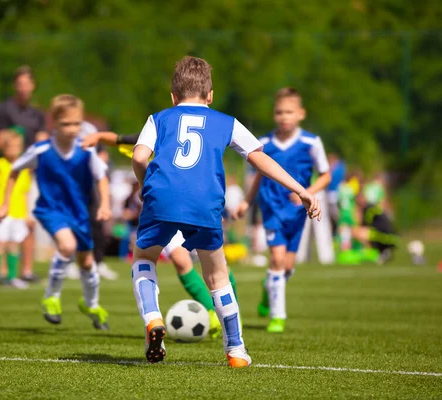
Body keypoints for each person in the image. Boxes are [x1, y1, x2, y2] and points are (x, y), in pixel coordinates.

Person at [130, 56, 320, 367]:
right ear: (210, 95)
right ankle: (236, 350)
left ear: (173, 97)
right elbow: (259, 158)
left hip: (161, 197)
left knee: (144, 259)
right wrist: (301, 189)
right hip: (205, 202)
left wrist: (143, 184)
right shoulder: (225, 121)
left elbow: (139, 157)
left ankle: (152, 319)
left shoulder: (159, 118)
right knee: (217, 277)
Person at [81, 131, 228, 339]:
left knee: (214, 264)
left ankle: (225, 312)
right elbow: (120, 139)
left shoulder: (195, 140)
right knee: (180, 260)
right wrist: (96, 137)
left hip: (193, 207)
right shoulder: (155, 135)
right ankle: (212, 313)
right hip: (163, 211)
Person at [0, 94, 112, 330]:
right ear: (54, 124)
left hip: (78, 213)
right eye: (66, 124)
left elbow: (101, 178)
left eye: (77, 123)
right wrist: (5, 203)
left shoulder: (86, 151)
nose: (72, 129)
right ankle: (51, 298)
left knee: (87, 262)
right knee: (66, 246)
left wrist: (105, 205)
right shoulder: (41, 150)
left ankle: (91, 304)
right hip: (50, 210)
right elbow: (15, 171)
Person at [234, 88, 331, 333]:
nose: (284, 117)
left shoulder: (311, 142)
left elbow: (326, 175)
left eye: (289, 112)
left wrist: (307, 192)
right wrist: (247, 202)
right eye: (279, 112)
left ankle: (269, 289)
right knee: (276, 258)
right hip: (272, 209)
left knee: (287, 266)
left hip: (298, 213)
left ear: (300, 114)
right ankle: (278, 316)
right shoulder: (264, 143)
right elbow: (258, 174)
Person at [0, 131, 31, 289]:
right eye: (10, 146)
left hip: (18, 212)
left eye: (17, 146)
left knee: (14, 244)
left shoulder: (24, 168)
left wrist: (26, 213)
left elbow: (25, 192)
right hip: (3, 214)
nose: (14, 149)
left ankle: (12, 277)